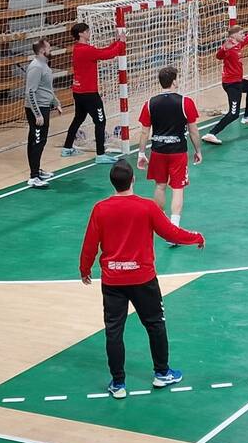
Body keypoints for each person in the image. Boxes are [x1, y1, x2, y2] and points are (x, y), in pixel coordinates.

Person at [79, 160, 205, 399]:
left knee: (113, 331)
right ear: (132, 181)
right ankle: (162, 373)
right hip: (143, 279)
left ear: (112, 183)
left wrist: (84, 269)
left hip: (113, 280)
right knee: (155, 324)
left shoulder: (100, 209)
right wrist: (196, 237)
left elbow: (90, 244)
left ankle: (118, 383)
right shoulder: (146, 207)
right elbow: (170, 232)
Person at [137, 66, 203, 229]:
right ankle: (174, 226)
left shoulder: (149, 104)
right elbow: (193, 131)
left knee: (160, 185)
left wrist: (141, 153)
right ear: (174, 81)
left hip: (158, 151)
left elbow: (145, 132)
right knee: (178, 188)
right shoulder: (185, 102)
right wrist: (198, 151)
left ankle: (161, 223)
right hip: (178, 152)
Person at [62, 22, 126, 164]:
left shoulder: (78, 49)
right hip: (89, 93)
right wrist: (120, 44)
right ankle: (100, 154)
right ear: (81, 34)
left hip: (78, 91)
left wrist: (116, 42)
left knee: (78, 119)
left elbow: (101, 51)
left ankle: (67, 148)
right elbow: (107, 54)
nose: (89, 33)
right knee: (100, 121)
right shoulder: (85, 50)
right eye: (87, 31)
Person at [203, 23, 248, 145]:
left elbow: (246, 40)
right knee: (233, 113)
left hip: (238, 81)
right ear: (234, 35)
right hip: (231, 84)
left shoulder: (238, 44)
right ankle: (211, 133)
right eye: (241, 33)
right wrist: (224, 49)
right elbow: (219, 56)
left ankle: (247, 116)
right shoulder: (229, 46)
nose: (243, 35)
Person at [24, 40, 63, 189]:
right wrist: (37, 114)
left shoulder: (44, 65)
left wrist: (55, 102)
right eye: (48, 48)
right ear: (42, 51)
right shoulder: (36, 67)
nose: (50, 49)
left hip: (44, 106)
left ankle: (37, 170)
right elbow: (30, 92)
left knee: (40, 140)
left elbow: (47, 88)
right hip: (38, 109)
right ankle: (33, 177)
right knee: (37, 141)